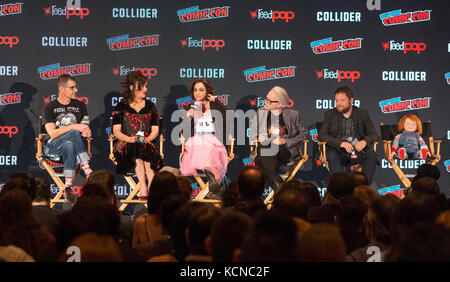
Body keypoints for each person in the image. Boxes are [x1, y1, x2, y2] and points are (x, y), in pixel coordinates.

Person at [112, 71, 163, 200]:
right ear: (132, 87)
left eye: (146, 86)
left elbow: (155, 130)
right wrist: (131, 139)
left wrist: (147, 139)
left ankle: (151, 186)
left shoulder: (151, 106)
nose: (146, 89)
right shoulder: (121, 106)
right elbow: (116, 132)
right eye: (142, 86)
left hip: (148, 142)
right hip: (125, 144)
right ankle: (143, 186)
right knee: (137, 148)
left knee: (145, 149)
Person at [43, 74, 93, 202]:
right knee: (74, 132)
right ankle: (87, 170)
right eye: (72, 88)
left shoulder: (81, 106)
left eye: (76, 87)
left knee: (71, 143)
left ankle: (67, 186)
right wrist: (74, 126)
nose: (76, 90)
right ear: (62, 89)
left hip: (72, 147)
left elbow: (84, 128)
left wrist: (87, 133)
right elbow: (52, 134)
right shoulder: (50, 107)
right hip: (53, 147)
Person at [249, 86, 308, 192]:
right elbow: (252, 134)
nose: (265, 102)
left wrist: (285, 141)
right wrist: (258, 137)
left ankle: (279, 190)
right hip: (265, 149)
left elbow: (304, 134)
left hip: (284, 151)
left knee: (259, 160)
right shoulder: (261, 112)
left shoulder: (293, 115)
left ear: (279, 104)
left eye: (269, 101)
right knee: (264, 147)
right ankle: (280, 188)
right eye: (265, 99)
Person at [318, 86, 378, 184]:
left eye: (342, 100)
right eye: (336, 101)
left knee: (371, 154)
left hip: (357, 151)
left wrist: (364, 141)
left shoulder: (362, 114)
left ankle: (363, 187)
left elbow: (374, 134)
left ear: (351, 100)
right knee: (331, 154)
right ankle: (341, 186)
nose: (339, 104)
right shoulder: (330, 114)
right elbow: (322, 135)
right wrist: (341, 143)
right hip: (337, 151)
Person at [179, 78, 229, 193]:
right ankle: (214, 181)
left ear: (207, 91)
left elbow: (228, 122)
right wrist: (187, 117)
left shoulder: (215, 106)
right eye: (195, 90)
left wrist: (216, 102)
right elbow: (184, 132)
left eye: (201, 90)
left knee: (209, 147)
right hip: (195, 143)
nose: (197, 93)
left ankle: (215, 186)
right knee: (201, 145)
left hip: (213, 142)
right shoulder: (190, 108)